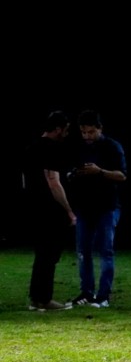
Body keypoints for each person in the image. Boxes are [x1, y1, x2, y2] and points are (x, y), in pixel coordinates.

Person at [67, 109, 127, 308]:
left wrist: (99, 171)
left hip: (107, 207)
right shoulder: (79, 147)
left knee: (105, 251)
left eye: (91, 132)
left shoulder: (112, 147)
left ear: (100, 128)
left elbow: (122, 175)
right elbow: (70, 171)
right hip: (84, 208)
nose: (87, 136)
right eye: (84, 132)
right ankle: (86, 292)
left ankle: (103, 296)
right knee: (83, 252)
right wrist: (74, 174)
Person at [22, 111, 76, 311]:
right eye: (66, 130)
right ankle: (45, 299)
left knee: (42, 254)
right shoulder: (51, 149)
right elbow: (53, 181)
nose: (67, 134)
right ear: (58, 129)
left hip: (33, 208)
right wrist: (69, 210)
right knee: (49, 255)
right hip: (49, 210)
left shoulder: (31, 148)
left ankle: (36, 298)